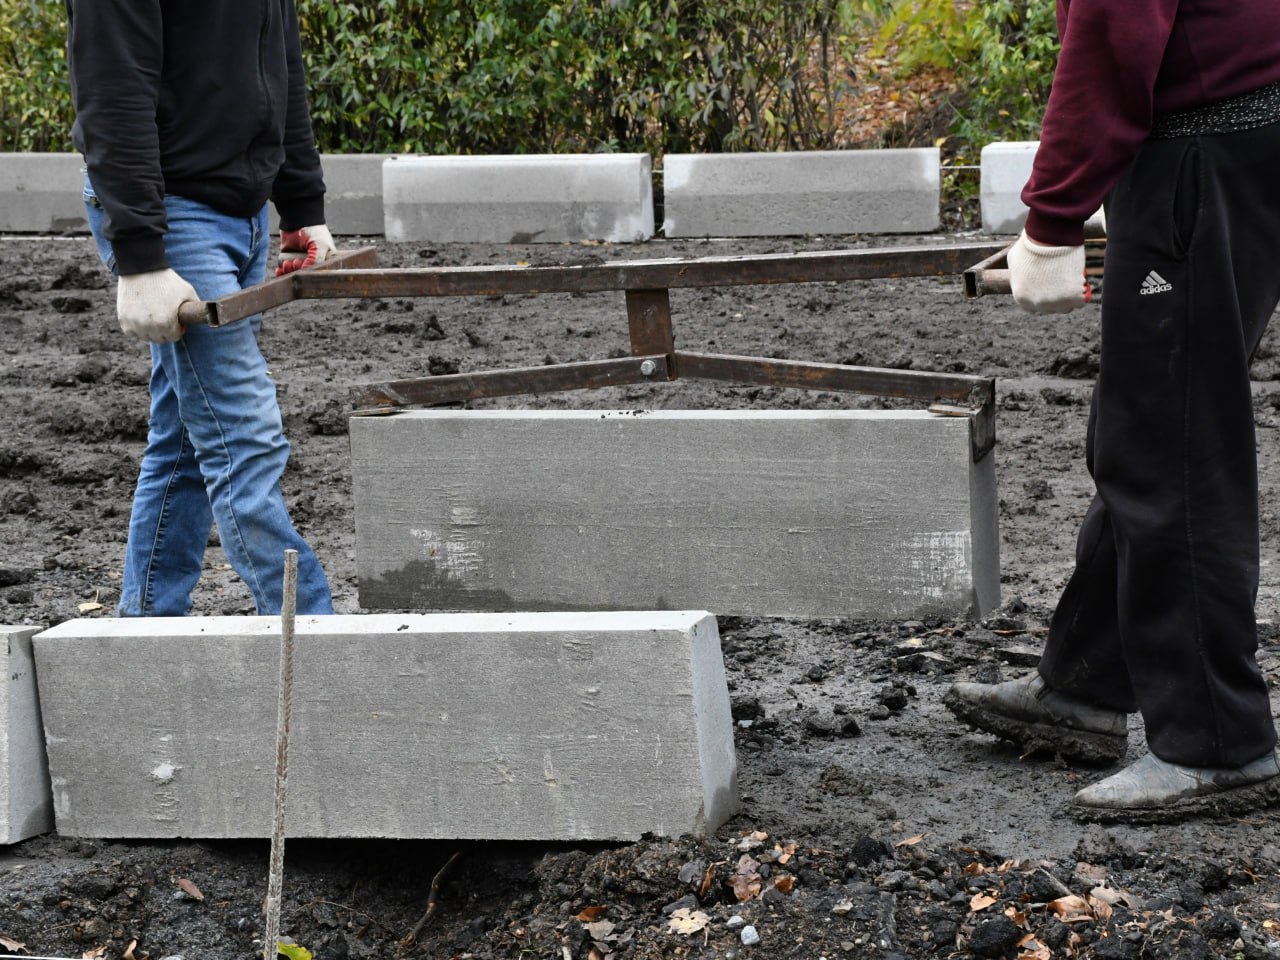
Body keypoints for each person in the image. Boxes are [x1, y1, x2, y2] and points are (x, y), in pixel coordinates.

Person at [946, 0, 1280, 822]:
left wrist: (1054, 215)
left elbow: (1113, 28)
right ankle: (1087, 681)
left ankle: (1216, 743)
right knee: (1151, 425)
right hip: (1234, 134)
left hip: (1198, 150)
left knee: (1173, 446)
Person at [65, 0, 337, 617]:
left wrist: (301, 204)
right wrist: (140, 256)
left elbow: (278, 52)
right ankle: (316, 636)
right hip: (171, 210)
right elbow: (112, 83)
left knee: (189, 434)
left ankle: (145, 629)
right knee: (246, 438)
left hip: (244, 213)